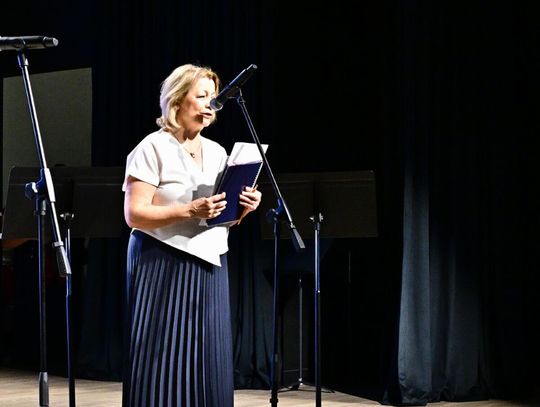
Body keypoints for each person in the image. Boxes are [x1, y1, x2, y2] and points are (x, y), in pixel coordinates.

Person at [122, 63, 262, 407]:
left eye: (214, 98)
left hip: (210, 263)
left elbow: (222, 217)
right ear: (177, 99)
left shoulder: (217, 152)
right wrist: (188, 210)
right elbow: (134, 214)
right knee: (161, 355)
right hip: (161, 259)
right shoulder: (152, 147)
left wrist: (244, 208)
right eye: (201, 96)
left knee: (208, 355)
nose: (210, 105)